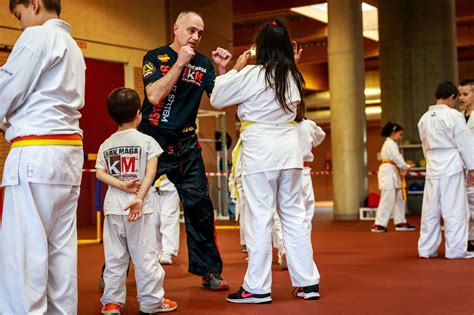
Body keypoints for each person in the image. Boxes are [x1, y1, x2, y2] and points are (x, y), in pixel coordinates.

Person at [211, 18, 321, 303]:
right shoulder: (294, 76)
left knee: (259, 218)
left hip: (262, 151)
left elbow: (217, 97)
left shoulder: (253, 74)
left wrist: (233, 67)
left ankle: (257, 288)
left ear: (259, 47)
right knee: (294, 216)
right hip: (289, 151)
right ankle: (308, 282)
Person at [0, 1, 85, 313]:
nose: (21, 25)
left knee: (23, 255)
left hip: (36, 153)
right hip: (67, 155)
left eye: (20, 15)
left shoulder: (37, 37)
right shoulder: (73, 47)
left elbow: (6, 89)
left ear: (34, 4)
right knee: (60, 255)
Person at [138, 11, 232, 290]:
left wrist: (223, 70)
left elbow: (219, 102)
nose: (196, 37)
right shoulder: (155, 57)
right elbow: (154, 96)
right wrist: (179, 64)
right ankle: (114, 270)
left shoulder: (203, 64)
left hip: (187, 145)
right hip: (152, 141)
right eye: (191, 30)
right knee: (129, 202)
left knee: (200, 207)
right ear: (176, 28)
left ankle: (210, 271)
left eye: (200, 33)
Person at [96, 88, 177, 314]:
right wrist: (139, 197)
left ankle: (111, 303)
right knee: (145, 256)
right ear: (139, 114)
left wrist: (121, 185)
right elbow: (151, 173)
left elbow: (99, 173)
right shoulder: (147, 141)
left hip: (113, 208)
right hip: (139, 209)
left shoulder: (107, 143)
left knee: (114, 258)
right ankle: (151, 302)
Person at [417, 81, 474, 259]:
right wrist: (472, 167)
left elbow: (424, 146)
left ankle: (426, 250)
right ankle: (456, 251)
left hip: (433, 167)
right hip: (451, 167)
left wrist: (432, 161)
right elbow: (464, 142)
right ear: (451, 98)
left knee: (430, 211)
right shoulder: (453, 116)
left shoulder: (424, 118)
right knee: (455, 210)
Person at [371, 122, 416, 233]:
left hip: (393, 172)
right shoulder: (390, 144)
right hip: (388, 172)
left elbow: (397, 159)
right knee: (387, 198)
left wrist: (404, 166)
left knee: (399, 198)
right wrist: (406, 166)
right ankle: (379, 224)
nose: (401, 137)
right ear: (393, 133)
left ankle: (400, 222)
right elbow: (397, 158)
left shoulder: (392, 144)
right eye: (400, 134)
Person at [458, 79, 474, 252]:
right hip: (461, 167)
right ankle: (469, 239)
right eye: (459, 94)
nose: (461, 98)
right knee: (465, 206)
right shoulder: (457, 117)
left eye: (465, 94)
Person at [154, 175, 181, 265]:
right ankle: (156, 250)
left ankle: (167, 251)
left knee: (168, 218)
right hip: (150, 184)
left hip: (170, 182)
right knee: (154, 220)